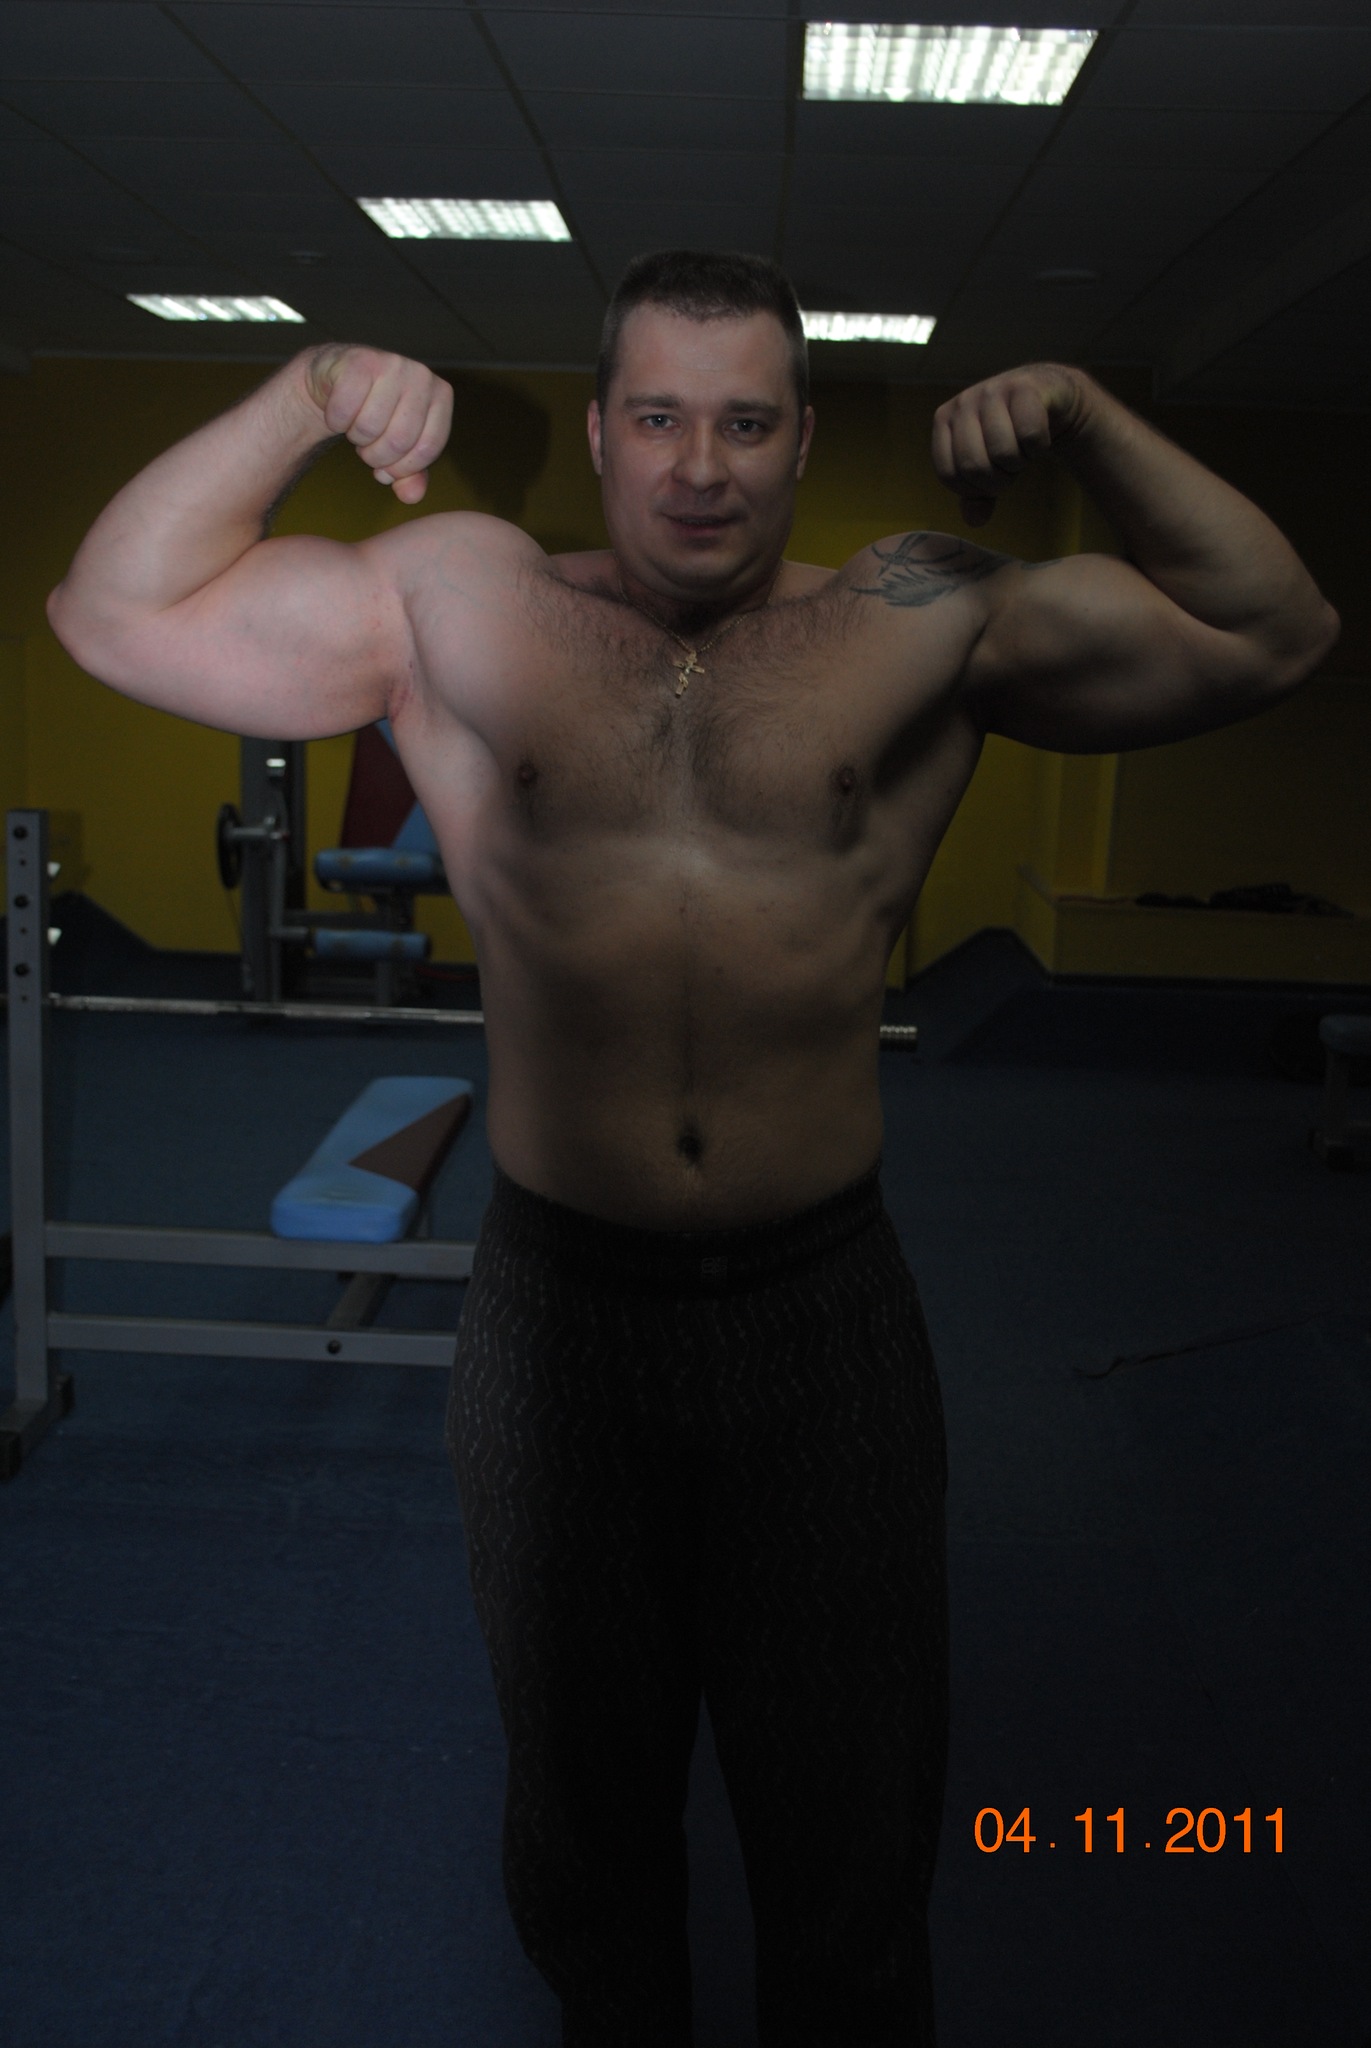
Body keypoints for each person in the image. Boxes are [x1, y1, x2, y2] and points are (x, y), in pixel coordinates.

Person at [47, 250, 1338, 2046]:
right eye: (658, 418)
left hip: (823, 1311)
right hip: (558, 1312)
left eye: (745, 422)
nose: (700, 466)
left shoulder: (916, 612)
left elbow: (1276, 629)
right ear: (599, 431)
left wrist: (1093, 419)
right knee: (585, 1825)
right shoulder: (459, 596)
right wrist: (308, 388)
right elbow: (110, 611)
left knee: (854, 1826)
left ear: (802, 439)